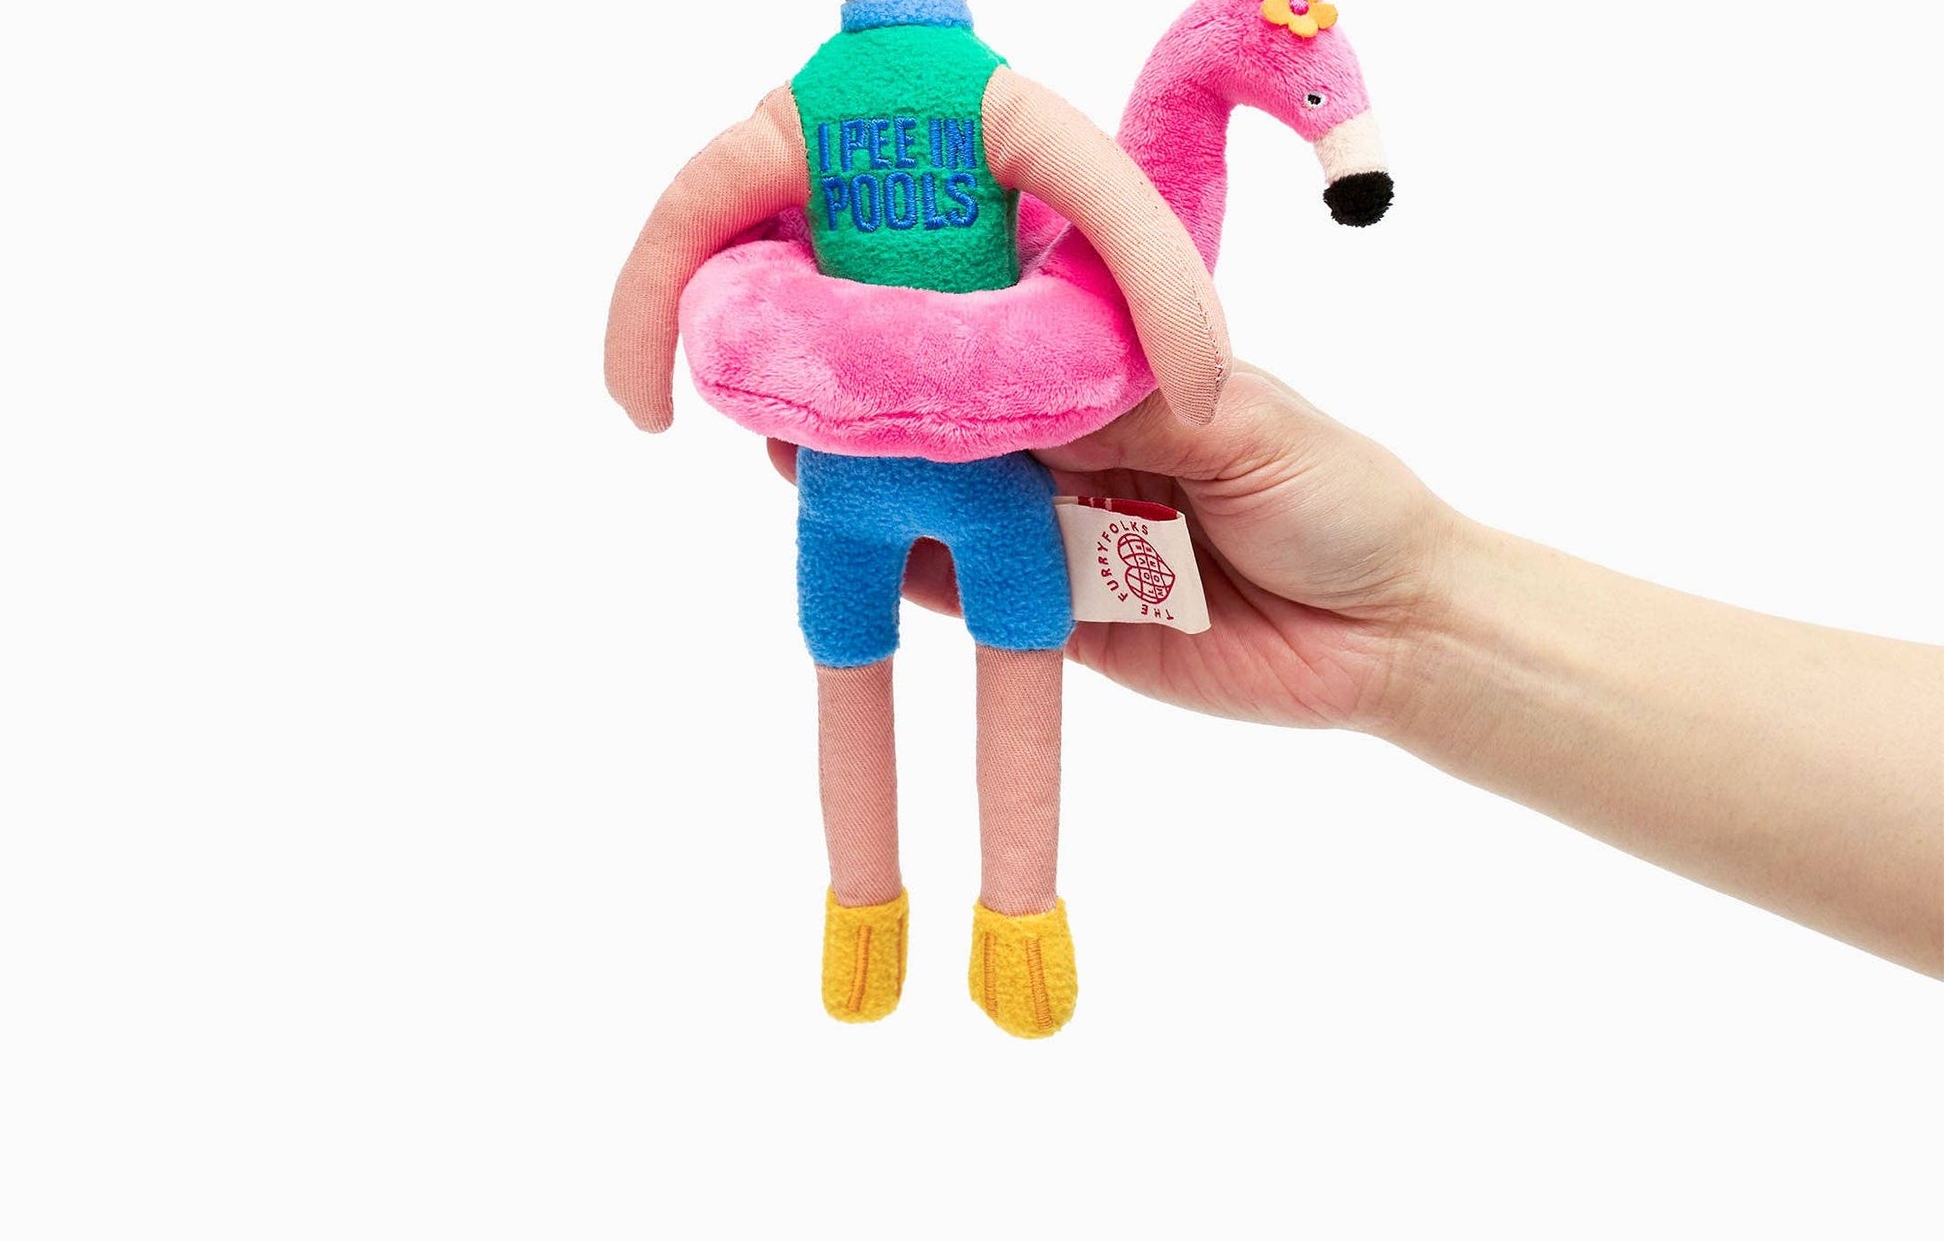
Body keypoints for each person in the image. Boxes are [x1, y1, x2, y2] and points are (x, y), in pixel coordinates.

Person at [771, 364, 1944, 979]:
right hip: (901, 499)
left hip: (945, 497)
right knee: (869, 661)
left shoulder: (977, 110)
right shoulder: (903, 111)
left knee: (958, 659)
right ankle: (870, 913)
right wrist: (1412, 626)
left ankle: (1008, 926)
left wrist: (1413, 623)